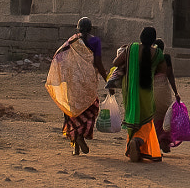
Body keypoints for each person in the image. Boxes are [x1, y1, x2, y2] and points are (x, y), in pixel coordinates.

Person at [111, 26, 177, 163]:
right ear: (153, 40)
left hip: (129, 90)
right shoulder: (157, 53)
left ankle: (133, 145)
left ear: (140, 37)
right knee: (146, 120)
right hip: (147, 91)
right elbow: (163, 70)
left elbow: (115, 62)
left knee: (132, 117)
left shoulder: (131, 48)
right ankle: (137, 141)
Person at [45, 19, 104, 156]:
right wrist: (107, 78)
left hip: (73, 81)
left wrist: (60, 77)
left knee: (72, 112)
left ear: (77, 29)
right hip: (88, 81)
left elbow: (58, 57)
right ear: (91, 28)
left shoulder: (71, 42)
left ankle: (75, 145)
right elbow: (98, 63)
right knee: (90, 108)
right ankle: (80, 136)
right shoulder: (95, 41)